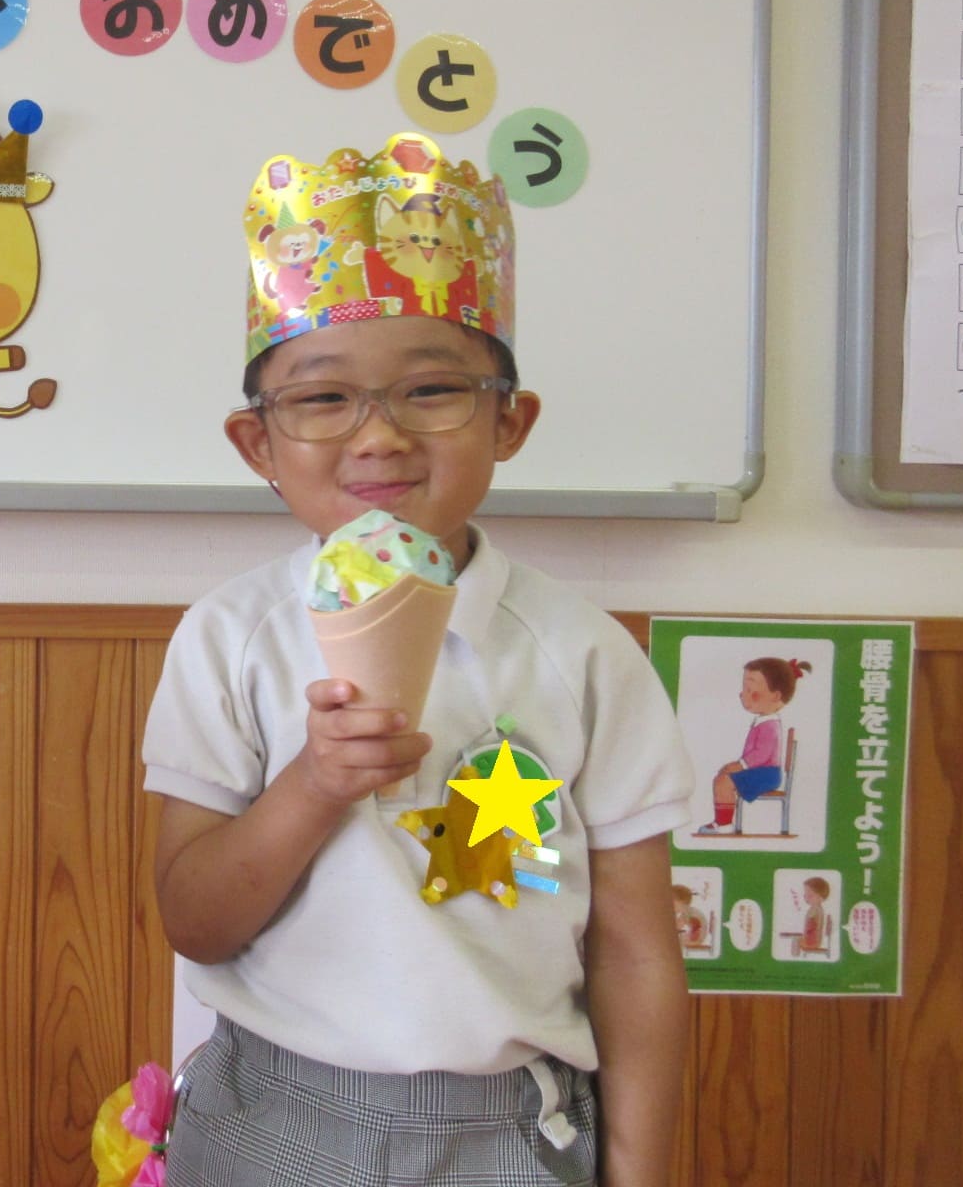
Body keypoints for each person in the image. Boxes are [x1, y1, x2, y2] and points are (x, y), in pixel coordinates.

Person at [144, 133, 694, 1186]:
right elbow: (194, 922)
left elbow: (634, 951)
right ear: (257, 445)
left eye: (431, 391)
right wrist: (313, 785)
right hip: (272, 1115)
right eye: (322, 398)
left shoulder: (582, 655)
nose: (379, 436)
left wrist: (636, 1175)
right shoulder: (229, 637)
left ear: (509, 421)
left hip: (508, 1128)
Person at [694, 655, 807, 835]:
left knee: (724, 781)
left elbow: (761, 754)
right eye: (744, 690)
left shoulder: (770, 725)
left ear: (775, 696)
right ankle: (722, 821)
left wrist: (739, 765)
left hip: (766, 774)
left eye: (750, 690)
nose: (742, 695)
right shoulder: (763, 722)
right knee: (722, 778)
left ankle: (724, 824)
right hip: (761, 771)